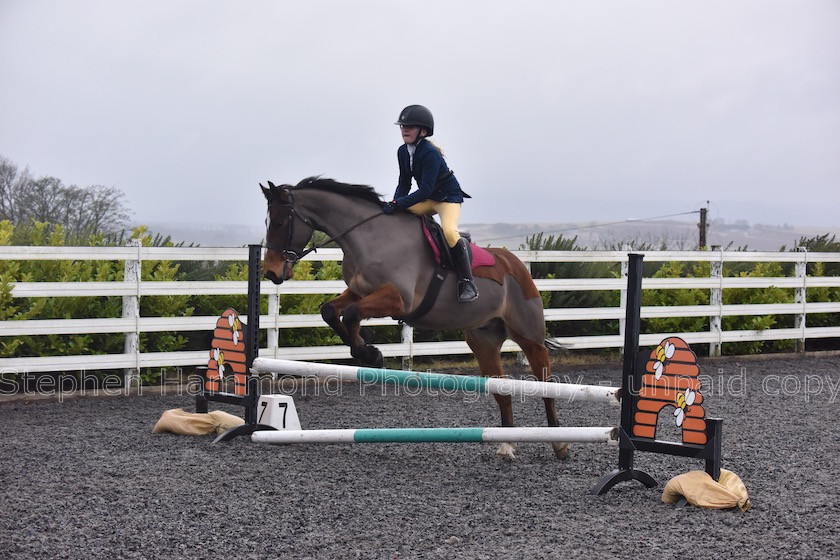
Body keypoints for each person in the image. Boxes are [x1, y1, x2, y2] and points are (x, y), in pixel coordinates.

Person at [382, 104, 478, 303]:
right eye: (402, 126)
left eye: (409, 126)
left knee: (450, 232)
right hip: (427, 200)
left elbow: (425, 189)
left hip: (448, 199)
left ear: (423, 131)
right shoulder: (402, 152)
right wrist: (395, 203)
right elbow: (404, 183)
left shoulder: (430, 153)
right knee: (401, 218)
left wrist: (399, 203)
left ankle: (467, 281)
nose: (404, 130)